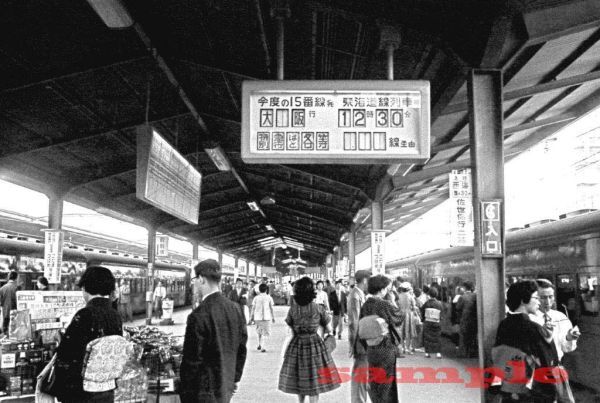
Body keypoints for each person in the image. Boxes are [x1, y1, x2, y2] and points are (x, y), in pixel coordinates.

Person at [180, 259, 247, 403]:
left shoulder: (198, 315)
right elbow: (241, 347)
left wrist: (185, 392)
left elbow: (192, 360)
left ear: (201, 279)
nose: (194, 284)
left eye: (194, 280)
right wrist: (235, 378)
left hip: (203, 391)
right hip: (226, 384)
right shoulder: (235, 309)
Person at [52, 266, 123, 403]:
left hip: (82, 392)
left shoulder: (85, 315)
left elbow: (67, 355)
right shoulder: (115, 316)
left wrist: (60, 341)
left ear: (85, 287)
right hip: (107, 389)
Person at [494, 280, 560, 402]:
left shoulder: (504, 324)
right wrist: (548, 340)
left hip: (509, 389)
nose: (539, 302)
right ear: (523, 301)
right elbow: (549, 362)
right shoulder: (533, 328)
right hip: (532, 393)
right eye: (536, 297)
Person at [278, 277, 341, 402]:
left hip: (297, 345)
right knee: (314, 380)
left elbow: (289, 330)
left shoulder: (293, 309)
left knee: (300, 377)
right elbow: (329, 329)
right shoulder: (318, 308)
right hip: (315, 345)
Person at [358, 275, 403, 403]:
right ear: (382, 289)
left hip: (371, 348)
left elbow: (361, 327)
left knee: (375, 382)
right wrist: (393, 301)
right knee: (386, 383)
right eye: (386, 288)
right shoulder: (383, 304)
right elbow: (399, 318)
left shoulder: (366, 305)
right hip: (385, 348)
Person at [347, 270, 370, 403]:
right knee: (361, 375)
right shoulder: (355, 296)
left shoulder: (359, 294)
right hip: (360, 341)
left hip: (362, 340)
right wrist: (352, 344)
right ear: (365, 280)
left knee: (363, 375)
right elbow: (353, 323)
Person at [249, 283, 275, 352]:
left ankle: (259, 344)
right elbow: (271, 308)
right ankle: (263, 346)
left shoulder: (256, 298)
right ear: (266, 290)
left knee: (259, 331)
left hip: (257, 317)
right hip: (266, 317)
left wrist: (251, 317)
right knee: (264, 332)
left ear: (259, 290)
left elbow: (253, 308)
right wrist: (273, 317)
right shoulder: (269, 298)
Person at [397, 281, 419, 354]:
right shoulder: (410, 296)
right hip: (409, 315)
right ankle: (408, 348)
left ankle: (402, 348)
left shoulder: (399, 296)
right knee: (409, 331)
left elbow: (397, 306)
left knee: (401, 331)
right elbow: (414, 307)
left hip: (400, 314)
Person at [457, 280, 478, 357]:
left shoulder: (462, 297)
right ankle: (472, 353)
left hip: (465, 319)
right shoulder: (475, 296)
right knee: (472, 336)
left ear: (465, 288)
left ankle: (464, 353)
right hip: (474, 320)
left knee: (463, 336)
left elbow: (458, 307)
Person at [421, 287, 443, 358]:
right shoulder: (439, 304)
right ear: (436, 294)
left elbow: (422, 312)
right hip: (436, 322)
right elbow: (441, 314)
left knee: (427, 338)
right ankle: (438, 353)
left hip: (428, 322)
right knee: (437, 337)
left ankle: (427, 353)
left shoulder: (426, 303)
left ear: (429, 294)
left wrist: (423, 320)